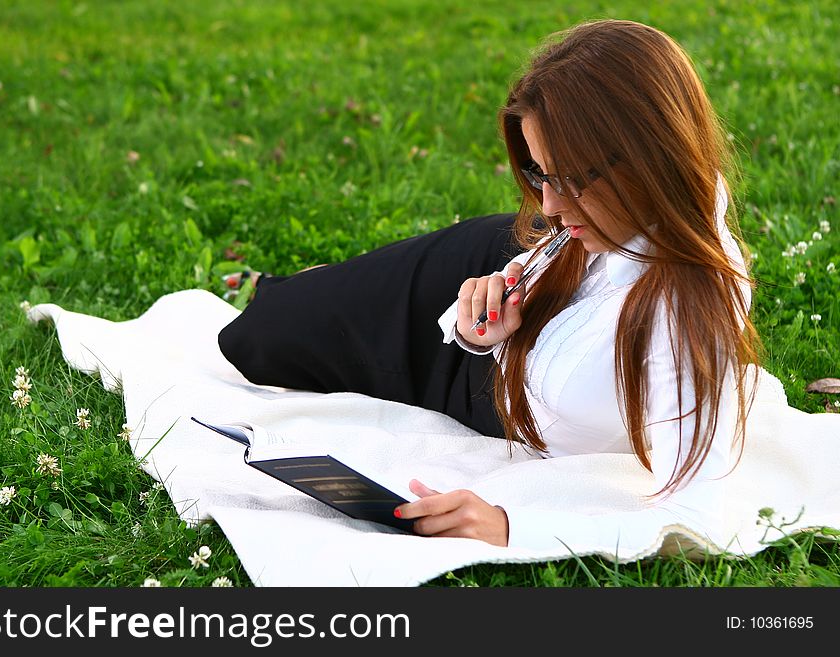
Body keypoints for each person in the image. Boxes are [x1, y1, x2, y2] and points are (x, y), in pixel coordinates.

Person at [217, 19, 760, 549]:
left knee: (254, 341)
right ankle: (304, 285)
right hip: (481, 286)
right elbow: (537, 265)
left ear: (648, 154)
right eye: (539, 175)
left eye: (573, 179)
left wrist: (508, 527)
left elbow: (701, 520)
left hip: (477, 392)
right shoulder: (597, 220)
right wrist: (482, 329)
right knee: (262, 329)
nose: (549, 205)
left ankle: (311, 288)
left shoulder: (686, 305)